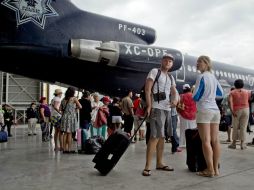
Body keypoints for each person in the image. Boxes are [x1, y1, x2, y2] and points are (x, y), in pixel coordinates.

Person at [142, 53, 178, 176]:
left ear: (172, 64)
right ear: (162, 61)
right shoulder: (154, 71)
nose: (168, 62)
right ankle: (147, 167)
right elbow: (147, 89)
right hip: (156, 108)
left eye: (170, 61)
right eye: (166, 60)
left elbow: (174, 92)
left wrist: (175, 100)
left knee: (162, 137)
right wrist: (149, 105)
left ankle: (159, 163)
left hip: (167, 109)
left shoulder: (171, 77)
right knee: (155, 137)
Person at [192, 55, 223, 177]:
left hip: (204, 110)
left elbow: (195, 97)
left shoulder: (201, 76)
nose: (197, 63)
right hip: (215, 110)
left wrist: (195, 89)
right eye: (197, 61)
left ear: (207, 64)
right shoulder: (213, 78)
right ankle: (216, 169)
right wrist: (210, 95)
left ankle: (209, 169)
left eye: (200, 62)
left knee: (205, 141)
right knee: (215, 140)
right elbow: (220, 93)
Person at [228, 79, 251, 150]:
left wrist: (232, 111)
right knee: (243, 127)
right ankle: (242, 144)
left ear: (235, 85)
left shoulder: (232, 92)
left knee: (235, 127)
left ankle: (234, 143)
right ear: (243, 85)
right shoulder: (247, 92)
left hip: (237, 110)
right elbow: (249, 99)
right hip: (246, 109)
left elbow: (230, 102)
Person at [60, 87, 82, 153]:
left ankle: (64, 149)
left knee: (65, 133)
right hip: (71, 117)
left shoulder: (63, 99)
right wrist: (75, 107)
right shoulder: (74, 99)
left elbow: (60, 109)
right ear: (73, 92)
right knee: (69, 133)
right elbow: (80, 106)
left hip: (64, 117)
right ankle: (69, 149)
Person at [177, 84, 197, 148]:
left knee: (183, 131)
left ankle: (182, 144)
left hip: (184, 116)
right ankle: (193, 144)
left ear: (183, 89)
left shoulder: (182, 96)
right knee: (192, 131)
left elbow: (179, 106)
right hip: (193, 116)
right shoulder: (194, 96)